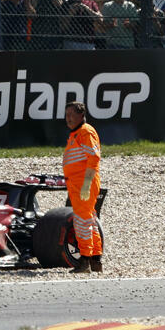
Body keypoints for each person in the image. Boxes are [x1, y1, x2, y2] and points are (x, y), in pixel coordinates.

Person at [62, 101, 103, 273]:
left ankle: (84, 260)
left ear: (82, 115)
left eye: (72, 115)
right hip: (77, 184)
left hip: (83, 184)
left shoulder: (85, 132)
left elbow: (93, 158)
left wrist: (86, 184)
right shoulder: (76, 133)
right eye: (66, 115)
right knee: (90, 221)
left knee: (82, 222)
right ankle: (95, 260)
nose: (69, 119)